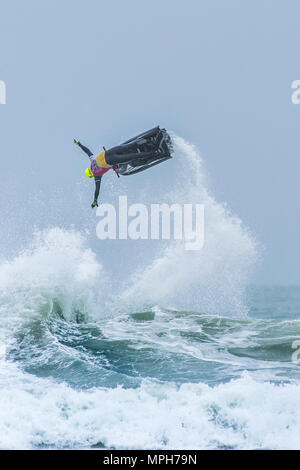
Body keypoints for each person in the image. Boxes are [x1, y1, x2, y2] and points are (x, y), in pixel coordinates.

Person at [74, 139, 159, 208]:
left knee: (134, 156)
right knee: (131, 145)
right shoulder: (92, 161)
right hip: (109, 152)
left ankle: (154, 153)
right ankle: (149, 139)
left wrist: (95, 200)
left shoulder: (97, 176)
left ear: (91, 175)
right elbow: (87, 151)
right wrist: (79, 144)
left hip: (113, 160)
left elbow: (97, 189)